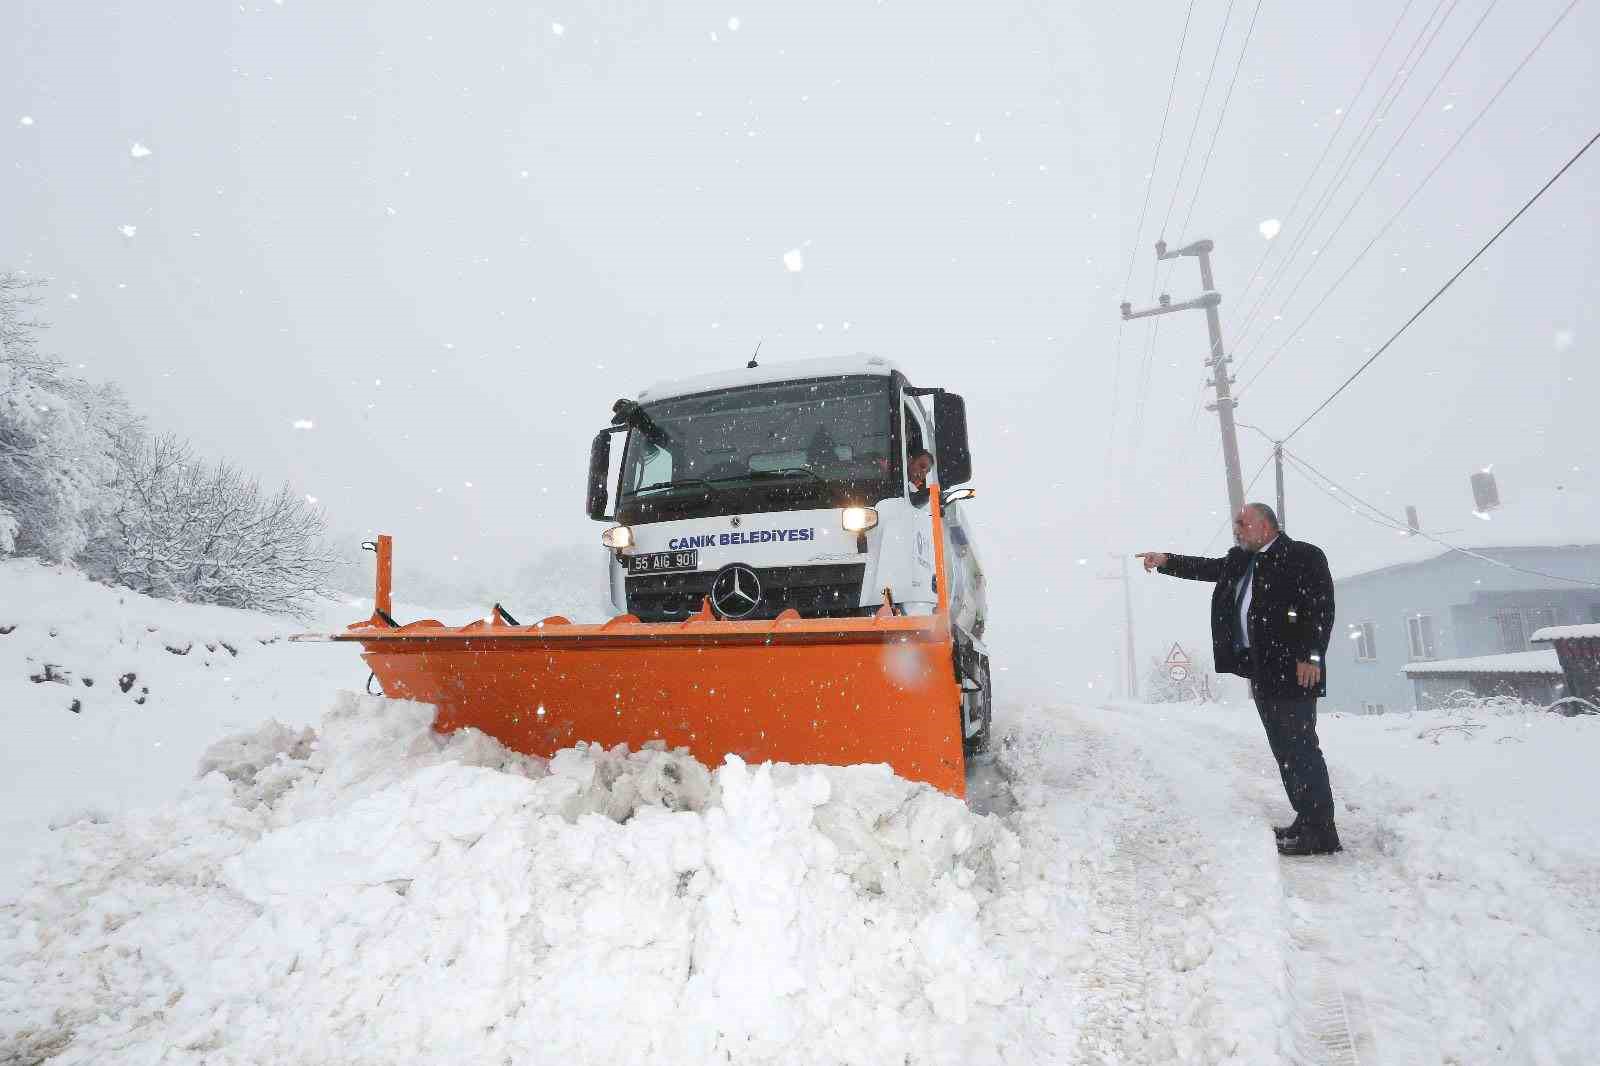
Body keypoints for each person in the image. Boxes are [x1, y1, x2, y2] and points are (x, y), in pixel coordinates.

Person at [1136, 503, 1341, 856]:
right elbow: (1206, 568)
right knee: (1285, 750)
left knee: (1300, 747)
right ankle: (1307, 819)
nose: (1236, 529)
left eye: (1241, 523)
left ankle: (1321, 831)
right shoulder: (1242, 560)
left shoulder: (1302, 556)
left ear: (1265, 525)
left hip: (1294, 668)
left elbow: (1320, 608)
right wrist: (1166, 559)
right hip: (1263, 668)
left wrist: (1311, 656)